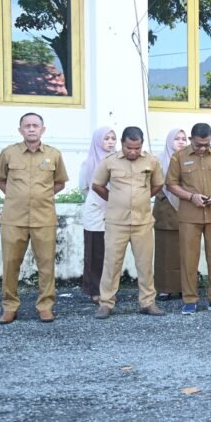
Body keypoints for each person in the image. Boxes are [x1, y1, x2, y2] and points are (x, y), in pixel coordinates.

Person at [0, 112, 69, 324]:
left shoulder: (54, 154)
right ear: (20, 130)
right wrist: (16, 197)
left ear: (43, 130)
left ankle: (45, 307)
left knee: (46, 265)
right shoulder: (8, 153)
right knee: (10, 264)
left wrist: (41, 197)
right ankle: (9, 307)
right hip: (13, 218)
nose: (31, 129)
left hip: (43, 218)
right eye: (27, 126)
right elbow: (1, 180)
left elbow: (60, 182)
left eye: (35, 125)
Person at [92, 127, 165, 319]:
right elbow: (97, 185)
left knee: (145, 265)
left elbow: (158, 184)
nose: (133, 152)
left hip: (143, 222)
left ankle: (148, 303)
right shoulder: (109, 161)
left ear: (142, 145)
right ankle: (106, 303)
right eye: (129, 148)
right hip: (116, 223)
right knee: (111, 264)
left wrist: (143, 197)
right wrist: (115, 199)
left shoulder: (152, 161)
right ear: (122, 143)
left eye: (137, 148)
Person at [166, 123, 211, 315]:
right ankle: (190, 300)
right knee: (189, 258)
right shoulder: (179, 157)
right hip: (190, 214)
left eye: (206, 144)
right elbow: (171, 184)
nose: (203, 148)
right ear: (191, 140)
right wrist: (191, 196)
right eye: (198, 145)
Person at [79, 126, 116, 304]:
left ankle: (109, 289)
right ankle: (94, 290)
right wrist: (99, 201)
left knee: (112, 253)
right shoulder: (89, 163)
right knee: (95, 252)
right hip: (95, 210)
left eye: (113, 138)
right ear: (97, 141)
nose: (110, 142)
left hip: (116, 211)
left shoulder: (120, 161)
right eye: (106, 138)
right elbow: (84, 188)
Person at [153, 128, 188, 301]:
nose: (181, 142)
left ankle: (183, 287)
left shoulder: (189, 158)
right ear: (169, 141)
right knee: (164, 250)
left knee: (185, 251)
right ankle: (164, 288)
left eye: (183, 138)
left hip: (186, 208)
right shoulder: (157, 160)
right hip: (165, 210)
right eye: (177, 138)